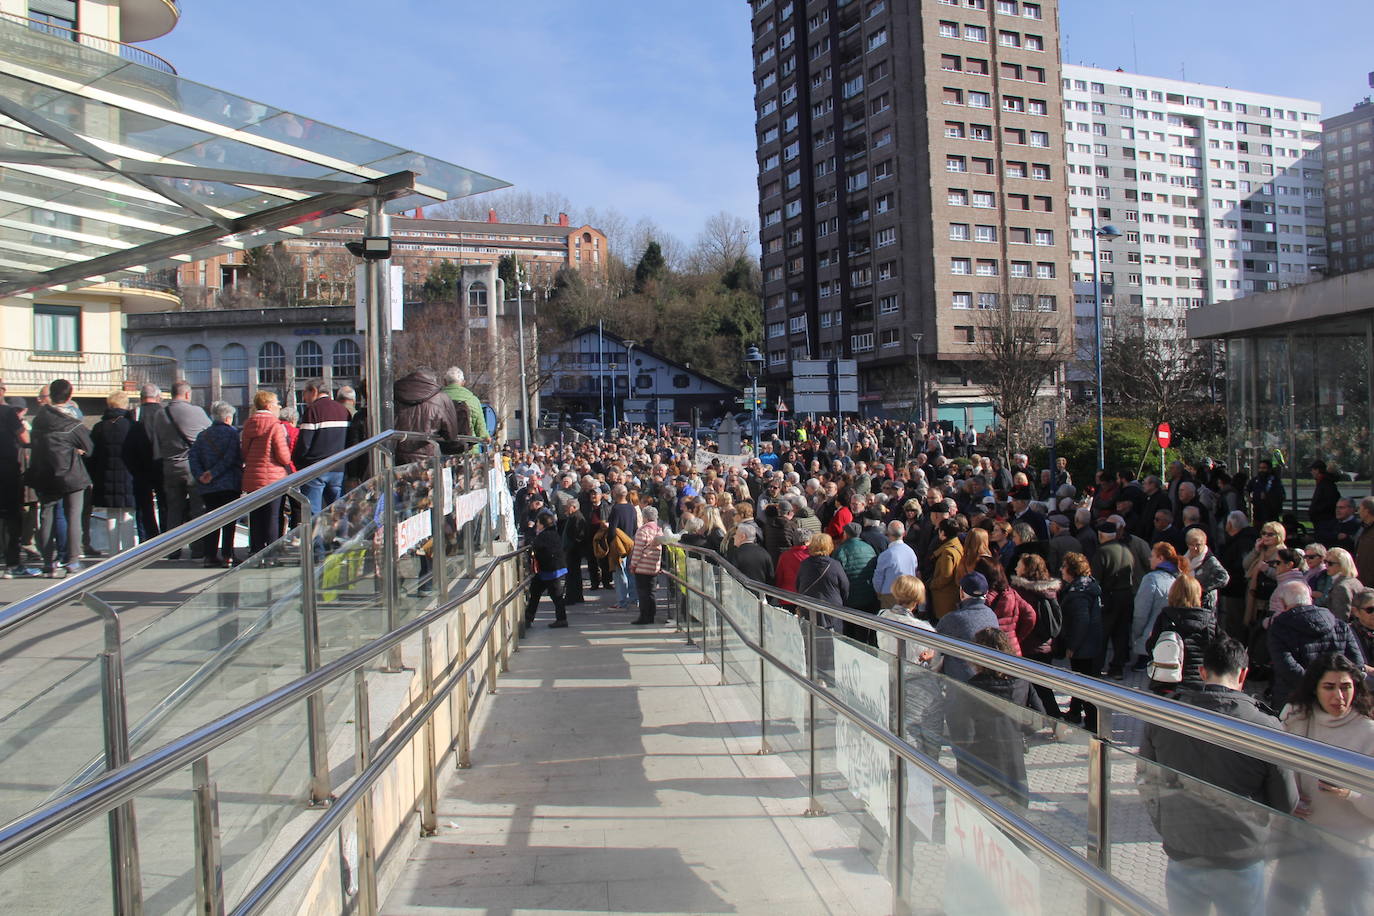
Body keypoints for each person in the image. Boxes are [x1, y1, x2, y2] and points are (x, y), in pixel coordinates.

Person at [1138, 635, 1298, 916]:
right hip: (1240, 854)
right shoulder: (1266, 727)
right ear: (1244, 674)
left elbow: (1146, 779)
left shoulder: (1166, 716)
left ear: (1202, 671)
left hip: (1183, 849)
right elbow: (1286, 802)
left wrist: (1165, 823)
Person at [1268, 653, 1374, 916]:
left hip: (1349, 851)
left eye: (1345, 687)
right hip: (1300, 841)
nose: (1339, 697)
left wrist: (1350, 793)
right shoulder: (1297, 719)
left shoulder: (1368, 733)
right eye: (1329, 687)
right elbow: (1273, 771)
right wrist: (1287, 799)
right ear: (1314, 689)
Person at [1268, 580, 1366, 712]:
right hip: (1337, 700)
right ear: (1310, 599)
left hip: (1295, 701)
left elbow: (1286, 667)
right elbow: (1357, 664)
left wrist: (1316, 688)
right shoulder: (1340, 625)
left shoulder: (1279, 628)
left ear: (1284, 604)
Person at [27, 379, 92, 577]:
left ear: (50, 396)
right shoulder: (72, 423)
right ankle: (72, 560)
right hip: (71, 474)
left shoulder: (39, 419)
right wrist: (76, 450)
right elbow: (89, 448)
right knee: (74, 516)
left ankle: (48, 561)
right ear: (70, 396)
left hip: (45, 473)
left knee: (46, 516)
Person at [153, 380, 210, 550]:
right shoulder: (196, 412)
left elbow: (157, 440)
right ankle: (198, 547)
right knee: (197, 508)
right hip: (191, 466)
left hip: (169, 466)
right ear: (187, 394)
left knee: (173, 509)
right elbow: (208, 435)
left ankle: (173, 549)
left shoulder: (160, 414)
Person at [188, 402, 243, 568]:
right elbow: (230, 457)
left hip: (208, 487)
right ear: (228, 418)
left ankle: (210, 556)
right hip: (229, 483)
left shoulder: (202, 435)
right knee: (229, 521)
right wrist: (214, 473)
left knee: (212, 520)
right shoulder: (233, 434)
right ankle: (228, 555)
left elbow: (193, 457)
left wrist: (201, 475)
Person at [240, 390, 292, 557]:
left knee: (256, 516)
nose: (279, 407)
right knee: (273, 515)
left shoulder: (249, 424)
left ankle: (256, 550)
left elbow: (245, 452)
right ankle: (272, 551)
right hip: (273, 478)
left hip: (253, 477)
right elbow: (284, 457)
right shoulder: (275, 425)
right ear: (269, 405)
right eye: (277, 404)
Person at [1145, 573, 1216, 696]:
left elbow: (1151, 647)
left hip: (1167, 681)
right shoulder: (1209, 619)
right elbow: (1217, 649)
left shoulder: (1165, 617)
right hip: (1198, 682)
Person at [1012, 553, 1063, 717]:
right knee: (1043, 688)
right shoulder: (1050, 591)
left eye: (1019, 565)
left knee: (1035, 689)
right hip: (1045, 646)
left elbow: (1024, 619)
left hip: (1029, 646)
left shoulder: (1022, 592)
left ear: (1027, 570)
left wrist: (1018, 638)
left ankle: (1057, 722)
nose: (1015, 568)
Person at [1057, 552, 1104, 730]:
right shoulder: (1089, 585)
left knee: (1084, 683)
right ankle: (1075, 712)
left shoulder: (1079, 593)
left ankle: (1092, 722)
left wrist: (1072, 646)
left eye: (1064, 566)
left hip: (1083, 647)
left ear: (1072, 570)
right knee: (1082, 680)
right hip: (1091, 643)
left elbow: (1081, 621)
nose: (1061, 570)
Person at [87, 390, 136, 557]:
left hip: (105, 476)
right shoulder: (131, 426)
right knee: (128, 514)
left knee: (111, 514)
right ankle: (129, 551)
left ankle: (113, 552)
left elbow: (92, 455)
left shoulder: (99, 427)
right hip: (128, 476)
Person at [293, 379, 350, 513]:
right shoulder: (343, 410)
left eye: (304, 393)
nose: (304, 397)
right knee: (338, 512)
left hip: (315, 468)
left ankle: (316, 535)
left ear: (313, 391)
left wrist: (299, 462)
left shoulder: (312, 410)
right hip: (339, 467)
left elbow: (304, 443)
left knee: (313, 513)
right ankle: (339, 534)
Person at [1091, 519, 1138, 679]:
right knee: (1121, 633)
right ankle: (1117, 668)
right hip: (1126, 595)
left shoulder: (1102, 552)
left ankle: (1096, 668)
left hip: (1109, 596)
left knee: (1102, 633)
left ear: (1101, 536)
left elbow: (1096, 579)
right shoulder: (1126, 549)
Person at [934, 572, 1000, 683]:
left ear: (961, 593)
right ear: (987, 593)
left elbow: (933, 646)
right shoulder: (992, 615)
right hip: (987, 683)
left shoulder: (953, 619)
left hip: (960, 685)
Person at [1130, 543, 1183, 671]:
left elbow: (1141, 611)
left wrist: (1136, 634)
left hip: (1150, 640)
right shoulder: (1180, 578)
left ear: (1160, 558)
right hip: (1172, 642)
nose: (1149, 559)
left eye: (1152, 556)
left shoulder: (1151, 579)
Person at [122, 383, 164, 543]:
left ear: (140, 398)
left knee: (143, 508)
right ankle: (167, 541)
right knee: (165, 505)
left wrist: (133, 469)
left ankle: (147, 540)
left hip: (140, 469)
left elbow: (126, 448)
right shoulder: (164, 413)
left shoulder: (133, 415)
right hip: (161, 466)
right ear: (158, 397)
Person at [1, 393, 36, 577]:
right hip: (6, 468)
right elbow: (25, 439)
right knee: (11, 517)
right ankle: (12, 564)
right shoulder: (7, 413)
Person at [795, 532, 847, 630]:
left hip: (808, 608)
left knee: (810, 639)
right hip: (832, 609)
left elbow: (798, 585)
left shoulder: (804, 565)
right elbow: (845, 588)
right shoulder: (835, 565)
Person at [525, 510, 569, 628]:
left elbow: (533, 544)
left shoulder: (544, 535)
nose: (536, 525)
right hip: (549, 569)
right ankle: (528, 616)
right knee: (536, 590)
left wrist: (530, 530)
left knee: (555, 594)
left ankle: (561, 619)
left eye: (538, 523)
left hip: (551, 570)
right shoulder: (552, 533)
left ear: (542, 524)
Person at [629, 506, 664, 625]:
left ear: (645, 517)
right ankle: (651, 615)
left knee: (643, 592)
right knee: (651, 592)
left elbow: (638, 550)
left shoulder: (642, 530)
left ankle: (644, 616)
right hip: (654, 565)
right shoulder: (659, 530)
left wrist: (633, 564)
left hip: (643, 566)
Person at [1183, 526, 1229, 612]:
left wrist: (1203, 588)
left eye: (1198, 544)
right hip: (1188, 602)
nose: (1195, 548)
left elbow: (1224, 577)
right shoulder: (1185, 558)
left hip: (1205, 606)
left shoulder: (1210, 560)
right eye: (1191, 545)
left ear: (1204, 543)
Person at [872, 520, 917, 608]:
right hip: (909, 593)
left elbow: (878, 579)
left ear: (888, 533)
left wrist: (879, 593)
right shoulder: (911, 552)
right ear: (904, 533)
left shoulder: (886, 555)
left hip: (890, 595)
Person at [928, 517, 965, 619]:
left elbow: (945, 576)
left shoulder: (947, 552)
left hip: (945, 597)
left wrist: (932, 584)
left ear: (943, 532)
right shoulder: (958, 545)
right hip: (951, 595)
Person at [440, 366, 489, 441]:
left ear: (445, 382)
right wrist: (486, 437)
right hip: (468, 447)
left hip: (442, 447)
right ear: (463, 383)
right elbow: (481, 430)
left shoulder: (436, 399)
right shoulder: (473, 400)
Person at [1319, 546, 1363, 623]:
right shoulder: (1355, 581)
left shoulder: (1341, 587)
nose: (1326, 565)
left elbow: (1340, 619)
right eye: (1325, 562)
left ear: (1342, 564)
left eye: (1330, 563)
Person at [728, 521, 774, 585]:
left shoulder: (735, 553)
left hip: (741, 592)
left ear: (743, 537)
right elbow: (771, 577)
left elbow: (729, 576)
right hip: (761, 592)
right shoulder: (765, 553)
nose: (734, 537)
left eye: (735, 534)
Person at [1307, 460, 1342, 544]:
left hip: (1325, 521)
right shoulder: (1323, 483)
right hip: (1321, 520)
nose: (1311, 472)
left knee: (1323, 542)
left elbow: (1330, 502)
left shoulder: (1326, 484)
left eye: (1312, 469)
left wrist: (1316, 511)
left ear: (1317, 470)